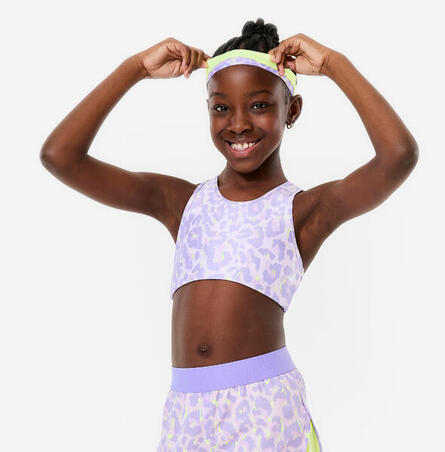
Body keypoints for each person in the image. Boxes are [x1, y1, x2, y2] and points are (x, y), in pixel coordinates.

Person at [40, 17, 418, 452]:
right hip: (185, 414)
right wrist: (136, 68)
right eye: (221, 108)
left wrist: (334, 64)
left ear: (291, 110)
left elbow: (398, 156)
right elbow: (60, 156)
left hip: (264, 412)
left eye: (259, 105)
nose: (238, 124)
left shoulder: (303, 211)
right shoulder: (181, 203)